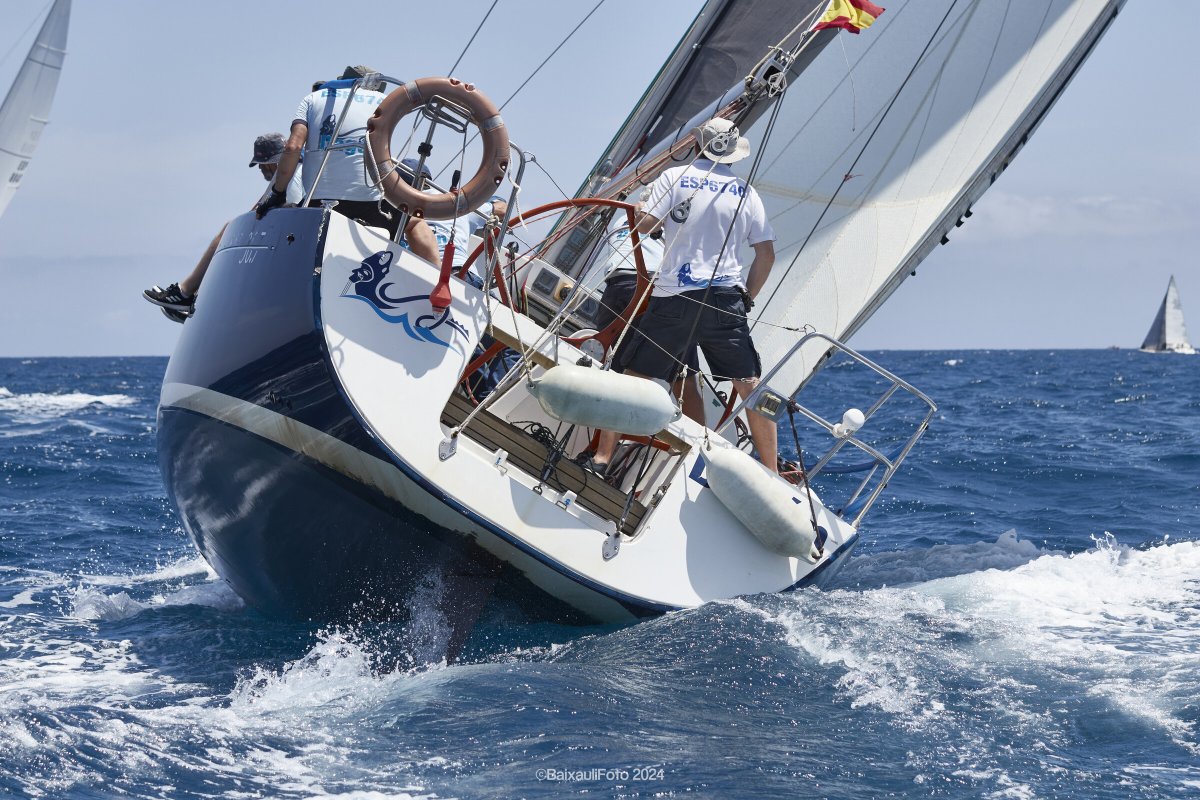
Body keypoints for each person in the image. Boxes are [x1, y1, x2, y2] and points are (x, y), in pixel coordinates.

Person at [594, 117, 778, 473]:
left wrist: (645, 207)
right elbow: (766, 255)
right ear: (733, 155)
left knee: (632, 376)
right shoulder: (747, 192)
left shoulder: (674, 177)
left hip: (674, 297)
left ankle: (602, 458)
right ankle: (771, 471)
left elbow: (645, 226)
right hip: (726, 300)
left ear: (698, 146)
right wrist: (747, 299)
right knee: (750, 385)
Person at [256, 65, 437, 263]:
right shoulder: (383, 102)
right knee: (414, 222)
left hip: (320, 206)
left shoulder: (313, 98)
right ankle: (437, 284)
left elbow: (292, 147)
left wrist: (277, 193)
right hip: (372, 206)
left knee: (289, 216)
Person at [142, 133, 305, 322]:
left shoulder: (292, 177)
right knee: (230, 229)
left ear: (269, 163)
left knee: (229, 231)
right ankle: (192, 295)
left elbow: (293, 207)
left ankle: (187, 294)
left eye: (261, 165)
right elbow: (259, 207)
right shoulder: (288, 173)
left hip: (286, 245)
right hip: (284, 242)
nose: (261, 170)